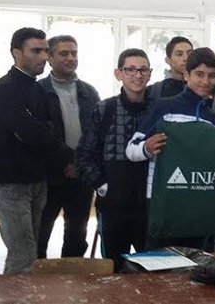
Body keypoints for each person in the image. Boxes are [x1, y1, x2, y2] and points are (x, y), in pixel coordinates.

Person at [126, 48, 215, 249]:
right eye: (199, 74)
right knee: (158, 263)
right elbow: (131, 150)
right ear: (187, 75)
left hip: (199, 204)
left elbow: (213, 164)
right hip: (163, 202)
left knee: (195, 262)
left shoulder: (213, 119)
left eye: (211, 76)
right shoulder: (163, 107)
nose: (205, 81)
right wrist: (146, 147)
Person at [76, 48, 153, 271]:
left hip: (149, 208)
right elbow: (84, 155)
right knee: (113, 270)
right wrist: (103, 186)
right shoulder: (105, 109)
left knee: (152, 270)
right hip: (113, 207)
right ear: (118, 73)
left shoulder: (158, 109)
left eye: (143, 70)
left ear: (150, 74)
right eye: (130, 69)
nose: (137, 75)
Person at [0, 28, 65, 274]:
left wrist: (42, 130)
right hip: (11, 185)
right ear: (17, 53)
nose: (45, 57)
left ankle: (26, 293)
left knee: (31, 252)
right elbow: (30, 133)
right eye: (36, 51)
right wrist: (42, 130)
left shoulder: (38, 89)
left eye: (46, 51)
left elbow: (50, 131)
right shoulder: (5, 89)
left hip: (38, 180)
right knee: (22, 254)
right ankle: (15, 294)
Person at [37, 35, 100, 259]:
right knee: (40, 232)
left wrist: (79, 163)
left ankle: (72, 277)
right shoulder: (38, 91)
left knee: (76, 235)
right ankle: (37, 277)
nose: (71, 58)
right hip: (48, 175)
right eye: (64, 53)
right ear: (50, 57)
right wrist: (66, 161)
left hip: (81, 175)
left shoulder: (89, 92)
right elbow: (40, 136)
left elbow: (96, 132)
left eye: (74, 53)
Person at [147, 36, 193, 100]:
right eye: (179, 54)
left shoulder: (202, 87)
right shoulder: (154, 91)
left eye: (190, 54)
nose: (186, 58)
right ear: (168, 60)